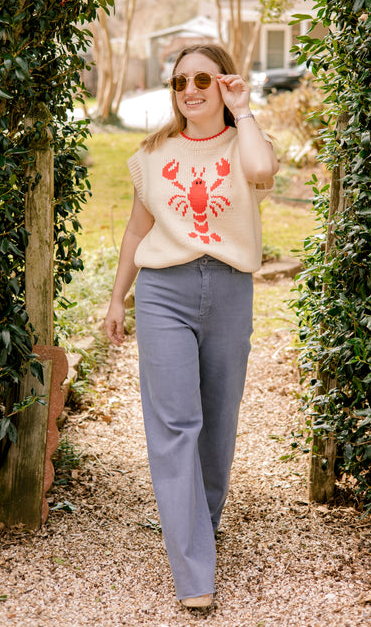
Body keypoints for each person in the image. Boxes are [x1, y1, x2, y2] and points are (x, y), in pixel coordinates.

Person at [103, 44, 278, 609]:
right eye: (180, 82)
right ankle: (193, 570)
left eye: (203, 79)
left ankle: (200, 522)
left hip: (229, 289)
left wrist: (243, 109)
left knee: (218, 421)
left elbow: (262, 173)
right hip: (163, 293)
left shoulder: (246, 141)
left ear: (223, 82)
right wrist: (117, 299)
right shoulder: (153, 153)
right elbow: (137, 230)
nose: (190, 90)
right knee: (177, 425)